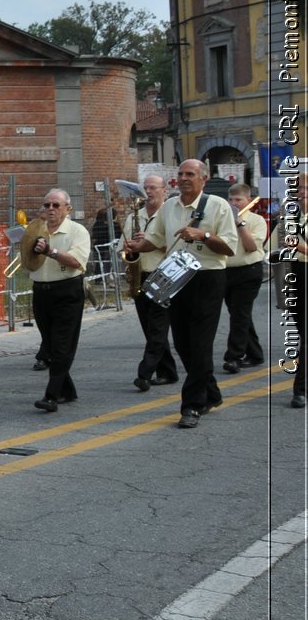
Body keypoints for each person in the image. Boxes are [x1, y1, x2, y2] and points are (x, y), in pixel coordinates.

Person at [126, 159, 238, 428]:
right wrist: (136, 247)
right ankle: (211, 393)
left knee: (200, 343)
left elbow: (229, 248)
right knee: (183, 343)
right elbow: (157, 239)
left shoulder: (218, 205)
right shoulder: (169, 207)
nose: (184, 178)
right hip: (176, 276)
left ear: (204, 179)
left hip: (207, 277)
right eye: (181, 174)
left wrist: (203, 235)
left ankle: (192, 405)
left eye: (190, 174)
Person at [27, 189, 92, 412]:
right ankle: (67, 390)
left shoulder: (77, 231)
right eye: (47, 206)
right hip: (41, 291)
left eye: (56, 205)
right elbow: (26, 260)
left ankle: (51, 396)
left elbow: (77, 261)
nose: (51, 210)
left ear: (68, 209)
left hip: (67, 290)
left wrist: (50, 251)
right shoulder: (37, 230)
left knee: (62, 344)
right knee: (52, 344)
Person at [128, 174, 180, 390]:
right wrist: (129, 247)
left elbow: (176, 246)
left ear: (164, 190)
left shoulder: (171, 215)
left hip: (164, 274)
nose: (148, 192)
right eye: (146, 188)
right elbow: (126, 244)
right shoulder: (134, 216)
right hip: (141, 273)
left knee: (158, 327)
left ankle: (145, 372)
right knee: (150, 328)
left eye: (153, 188)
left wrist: (150, 243)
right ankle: (168, 371)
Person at [266, 172, 306, 408]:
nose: (302, 194)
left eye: (307, 189)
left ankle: (299, 390)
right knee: (301, 333)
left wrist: (299, 246)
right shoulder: (288, 219)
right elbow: (270, 250)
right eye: (298, 189)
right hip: (294, 277)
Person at [220, 183, 267, 373]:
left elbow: (250, 246)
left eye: (238, 200)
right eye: (230, 200)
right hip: (227, 271)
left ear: (248, 200)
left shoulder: (256, 220)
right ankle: (255, 353)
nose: (234, 203)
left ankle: (233, 357)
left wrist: (240, 223)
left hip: (249, 271)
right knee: (240, 314)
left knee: (240, 314)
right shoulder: (222, 220)